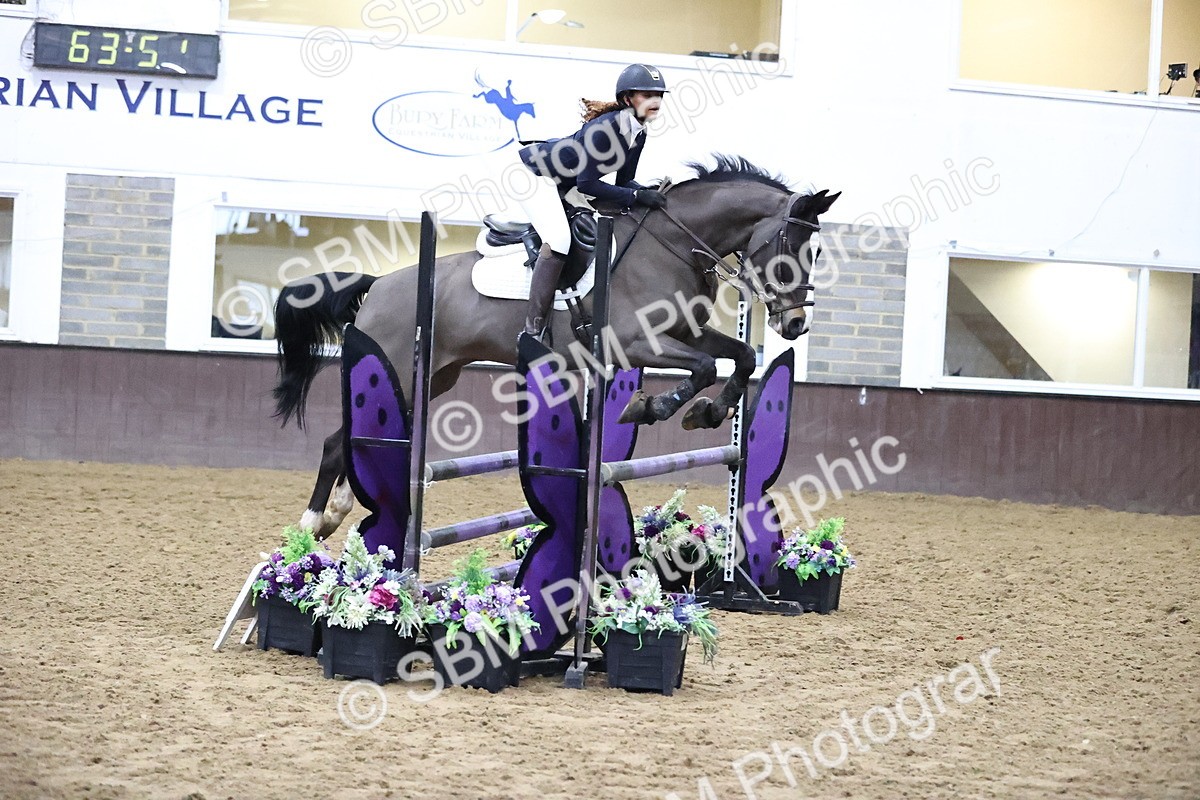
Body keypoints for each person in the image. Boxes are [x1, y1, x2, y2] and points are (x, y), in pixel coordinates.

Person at [514, 63, 670, 340]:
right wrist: (636, 196)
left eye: (658, 94)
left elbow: (624, 183)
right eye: (647, 95)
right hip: (533, 175)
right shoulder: (606, 130)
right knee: (560, 240)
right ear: (627, 99)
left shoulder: (639, 132)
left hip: (564, 181)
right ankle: (533, 330)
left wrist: (650, 193)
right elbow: (589, 185)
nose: (655, 100)